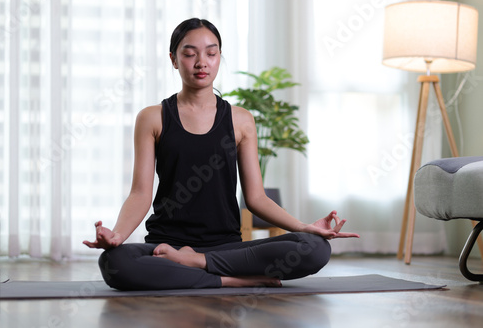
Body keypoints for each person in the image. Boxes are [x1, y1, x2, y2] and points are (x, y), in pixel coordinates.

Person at [83, 18, 359, 291]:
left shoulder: (241, 120)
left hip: (226, 247)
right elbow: (140, 193)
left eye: (211, 53)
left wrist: (304, 227)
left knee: (314, 248)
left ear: (219, 57)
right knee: (115, 262)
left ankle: (197, 263)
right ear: (174, 59)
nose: (201, 62)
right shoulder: (152, 118)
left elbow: (256, 198)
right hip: (166, 245)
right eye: (190, 54)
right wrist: (117, 236)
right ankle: (226, 279)